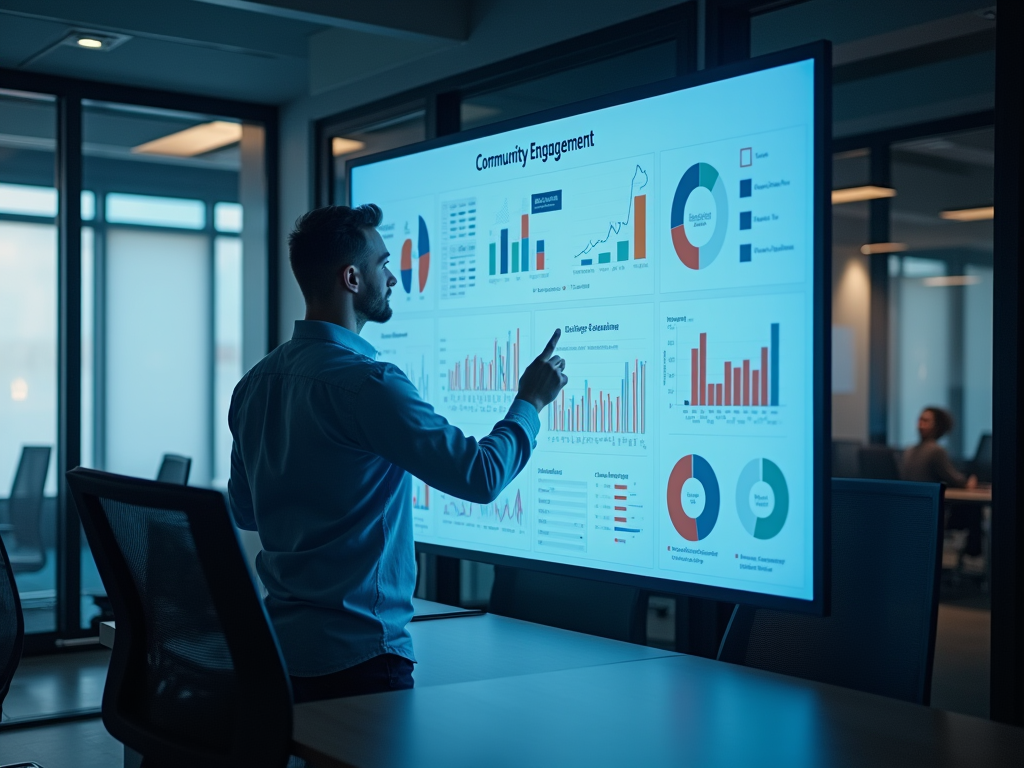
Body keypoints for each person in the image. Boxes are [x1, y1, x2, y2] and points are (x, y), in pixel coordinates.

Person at [227, 204, 568, 703]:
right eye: (383, 264)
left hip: (281, 654)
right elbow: (480, 476)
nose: (392, 278)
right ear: (351, 278)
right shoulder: (369, 385)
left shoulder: (253, 384)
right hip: (360, 658)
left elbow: (245, 511)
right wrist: (530, 402)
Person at [900, 406, 977, 488]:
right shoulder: (935, 450)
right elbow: (954, 479)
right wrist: (968, 482)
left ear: (937, 425)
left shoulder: (909, 449)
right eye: (920, 420)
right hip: (929, 497)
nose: (920, 425)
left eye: (925, 421)